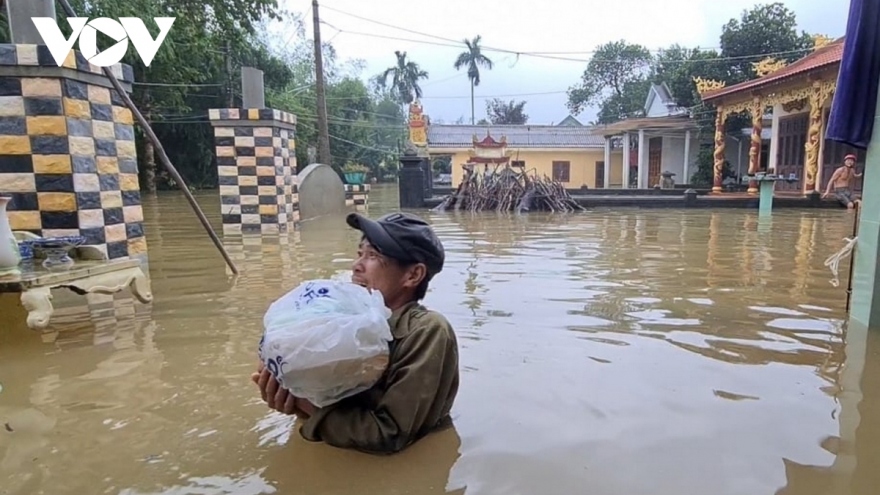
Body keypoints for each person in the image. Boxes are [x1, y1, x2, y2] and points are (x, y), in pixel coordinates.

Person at [252, 211, 460, 455]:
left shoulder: (428, 331)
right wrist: (291, 391)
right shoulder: (342, 322)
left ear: (413, 275)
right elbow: (324, 400)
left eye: (373, 255)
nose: (356, 266)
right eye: (359, 253)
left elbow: (389, 435)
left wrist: (305, 406)